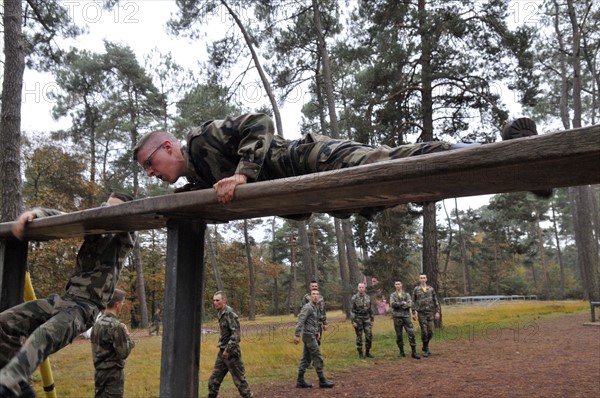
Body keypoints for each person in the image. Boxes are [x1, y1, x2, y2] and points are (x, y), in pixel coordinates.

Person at [132, 114, 549, 220]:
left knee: (393, 164)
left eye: (151, 163)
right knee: (411, 187)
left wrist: (243, 173)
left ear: (168, 146)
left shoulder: (204, 139)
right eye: (146, 172)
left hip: (311, 159)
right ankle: (516, 173)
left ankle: (507, 149)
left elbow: (259, 121)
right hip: (315, 192)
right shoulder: (197, 180)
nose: (151, 173)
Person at [0, 192, 135, 398]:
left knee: (44, 334)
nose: (105, 210)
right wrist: (36, 213)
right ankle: (16, 385)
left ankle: (10, 382)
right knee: (5, 322)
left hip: (86, 307)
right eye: (105, 206)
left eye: (112, 207)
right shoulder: (92, 227)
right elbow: (63, 215)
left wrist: (108, 211)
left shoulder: (123, 239)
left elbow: (125, 222)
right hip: (66, 299)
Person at [91, 289, 135, 398]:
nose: (123, 305)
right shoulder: (116, 326)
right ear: (117, 304)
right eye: (122, 302)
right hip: (113, 374)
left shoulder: (97, 323)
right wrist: (128, 338)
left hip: (99, 372)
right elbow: (123, 353)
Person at [207, 291, 252, 398]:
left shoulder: (230, 314)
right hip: (222, 352)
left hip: (232, 354)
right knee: (213, 381)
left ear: (224, 301)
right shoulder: (220, 313)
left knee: (240, 383)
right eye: (214, 300)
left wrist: (228, 350)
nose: (215, 302)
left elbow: (236, 335)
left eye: (217, 300)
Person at [294, 289, 334, 389]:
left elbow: (314, 321)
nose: (315, 296)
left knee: (306, 358)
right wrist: (297, 335)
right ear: (310, 296)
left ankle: (300, 381)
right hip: (308, 335)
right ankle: (322, 381)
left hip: (312, 334)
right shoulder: (308, 307)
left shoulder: (316, 307)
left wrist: (317, 332)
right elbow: (300, 321)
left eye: (317, 294)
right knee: (317, 356)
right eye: (313, 294)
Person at [389, 281, 420, 359]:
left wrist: (401, 304)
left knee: (411, 333)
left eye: (399, 284)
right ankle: (401, 352)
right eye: (396, 284)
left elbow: (410, 304)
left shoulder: (406, 294)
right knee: (399, 335)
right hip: (397, 317)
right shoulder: (392, 295)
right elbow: (392, 304)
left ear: (401, 285)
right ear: (394, 286)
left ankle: (414, 352)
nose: (397, 286)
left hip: (406, 317)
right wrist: (402, 303)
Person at [412, 274, 441, 357]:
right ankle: (426, 348)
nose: (423, 279)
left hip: (430, 313)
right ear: (419, 279)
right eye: (421, 278)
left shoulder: (431, 289)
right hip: (421, 313)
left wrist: (437, 312)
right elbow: (413, 301)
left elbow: (435, 300)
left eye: (424, 278)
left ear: (426, 279)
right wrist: (413, 313)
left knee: (431, 331)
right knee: (424, 331)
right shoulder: (416, 289)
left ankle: (425, 345)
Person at [300, 280, 327, 368]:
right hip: (310, 324)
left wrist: (324, 322)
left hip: (318, 324)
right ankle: (308, 362)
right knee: (309, 344)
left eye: (315, 286)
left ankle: (315, 362)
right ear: (310, 287)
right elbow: (303, 311)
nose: (314, 287)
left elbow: (323, 310)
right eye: (313, 286)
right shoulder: (306, 297)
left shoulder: (321, 297)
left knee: (317, 342)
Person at [351, 282, 374, 359]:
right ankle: (360, 353)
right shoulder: (354, 298)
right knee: (359, 336)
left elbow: (370, 309)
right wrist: (353, 321)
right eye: (360, 287)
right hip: (358, 319)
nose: (361, 289)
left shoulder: (368, 297)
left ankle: (367, 352)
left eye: (362, 287)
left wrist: (372, 319)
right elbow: (352, 310)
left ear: (364, 288)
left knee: (369, 336)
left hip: (367, 318)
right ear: (358, 288)